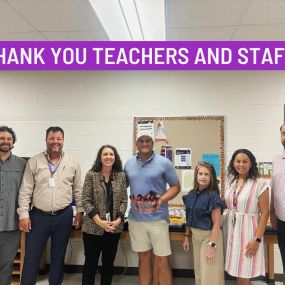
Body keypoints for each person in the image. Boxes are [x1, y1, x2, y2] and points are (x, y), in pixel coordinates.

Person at [17, 126, 84, 285]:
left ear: (63, 140)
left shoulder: (73, 162)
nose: (55, 142)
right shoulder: (34, 161)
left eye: (58, 138)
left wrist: (80, 212)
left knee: (58, 257)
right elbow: (25, 190)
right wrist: (24, 215)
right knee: (31, 257)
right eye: (51, 138)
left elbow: (78, 189)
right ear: (46, 140)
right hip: (38, 216)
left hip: (64, 216)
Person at [124, 130, 180, 285]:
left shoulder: (164, 163)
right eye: (141, 141)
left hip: (158, 219)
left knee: (162, 259)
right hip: (136, 219)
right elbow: (122, 186)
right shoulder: (128, 164)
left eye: (147, 140)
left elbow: (176, 187)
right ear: (136, 144)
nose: (144, 144)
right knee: (143, 258)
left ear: (152, 143)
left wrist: (161, 199)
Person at [81, 144, 128, 285]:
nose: (108, 157)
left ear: (115, 157)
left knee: (108, 265)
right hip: (92, 229)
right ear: (100, 158)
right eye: (105, 154)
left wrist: (119, 219)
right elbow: (85, 200)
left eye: (111, 154)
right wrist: (99, 221)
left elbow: (124, 200)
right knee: (90, 265)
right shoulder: (91, 175)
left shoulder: (120, 175)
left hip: (113, 228)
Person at [223, 149, 269, 285]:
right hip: (232, 230)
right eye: (238, 161)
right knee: (239, 272)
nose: (241, 164)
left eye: (245, 161)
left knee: (244, 271)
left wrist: (257, 239)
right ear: (233, 163)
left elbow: (265, 212)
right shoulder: (231, 181)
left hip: (249, 231)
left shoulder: (259, 183)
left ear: (251, 164)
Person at [182, 161, 224, 285]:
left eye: (206, 174)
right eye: (200, 173)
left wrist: (212, 246)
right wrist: (186, 236)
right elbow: (189, 217)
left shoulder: (213, 196)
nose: (203, 177)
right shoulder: (191, 193)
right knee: (199, 274)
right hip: (196, 237)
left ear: (211, 177)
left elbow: (217, 223)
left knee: (210, 276)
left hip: (209, 238)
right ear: (196, 175)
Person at [0, 126, 26, 285]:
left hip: (11, 225)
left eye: (9, 138)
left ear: (13, 141)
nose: (5, 141)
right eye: (2, 138)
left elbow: (27, 192)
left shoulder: (22, 164)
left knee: (6, 265)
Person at [270, 122, 285, 284]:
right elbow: (273, 188)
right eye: (283, 133)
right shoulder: (277, 159)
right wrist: (272, 212)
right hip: (282, 220)